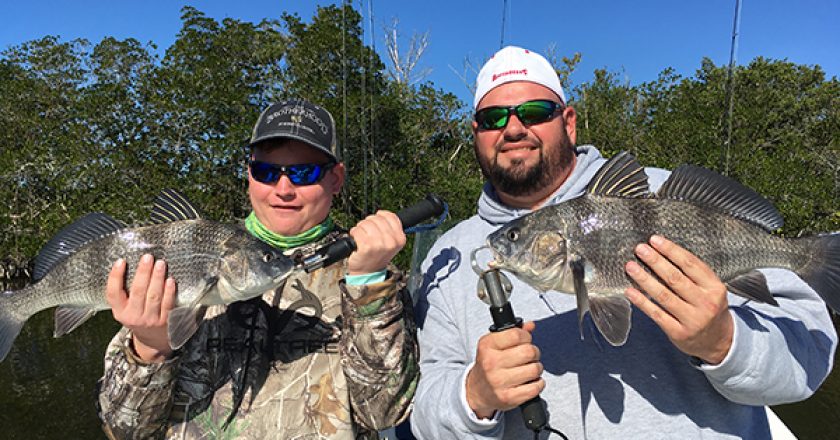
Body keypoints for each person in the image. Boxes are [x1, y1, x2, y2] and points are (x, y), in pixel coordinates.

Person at [410, 46, 837, 439]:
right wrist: (474, 397)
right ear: (476, 132)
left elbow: (813, 350)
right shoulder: (449, 256)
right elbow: (424, 411)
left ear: (569, 122)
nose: (514, 128)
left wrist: (724, 341)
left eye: (535, 111)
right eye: (493, 118)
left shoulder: (661, 192)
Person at [97, 99, 418, 439]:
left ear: (335, 179)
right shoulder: (184, 257)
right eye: (266, 172)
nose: (283, 190)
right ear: (249, 174)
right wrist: (149, 348)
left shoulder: (369, 270)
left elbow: (386, 411)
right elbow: (122, 430)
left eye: (303, 172)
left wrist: (367, 288)